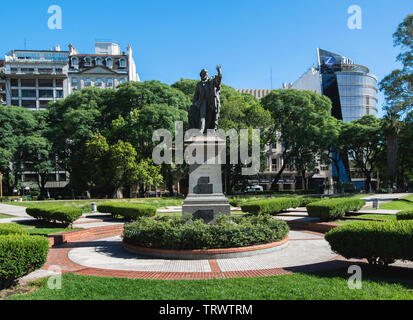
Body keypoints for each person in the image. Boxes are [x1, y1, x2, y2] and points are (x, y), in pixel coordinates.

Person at [189, 65, 222, 134]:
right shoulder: (199, 84)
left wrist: (219, 71)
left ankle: (210, 131)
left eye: (206, 73)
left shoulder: (211, 81)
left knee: (211, 118)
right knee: (202, 116)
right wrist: (194, 103)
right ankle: (201, 129)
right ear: (201, 75)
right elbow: (196, 95)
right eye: (203, 74)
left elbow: (218, 80)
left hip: (211, 102)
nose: (205, 75)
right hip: (202, 102)